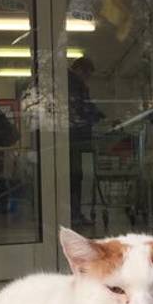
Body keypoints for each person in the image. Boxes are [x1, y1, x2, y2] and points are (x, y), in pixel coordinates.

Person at [67, 57, 103, 226]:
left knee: (73, 176)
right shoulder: (74, 85)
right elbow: (81, 109)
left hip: (72, 137)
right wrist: (96, 116)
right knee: (74, 176)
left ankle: (72, 213)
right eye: (87, 74)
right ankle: (74, 214)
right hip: (74, 138)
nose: (87, 77)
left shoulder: (70, 83)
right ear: (80, 70)